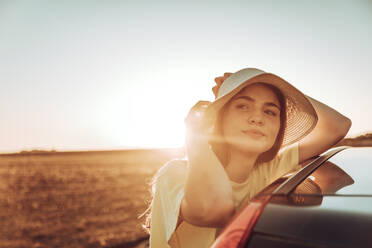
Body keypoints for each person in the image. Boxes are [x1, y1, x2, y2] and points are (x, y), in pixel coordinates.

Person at [146, 68, 351, 248]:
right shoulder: (176, 173)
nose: (257, 118)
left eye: (270, 111)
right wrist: (195, 135)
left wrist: (272, 83)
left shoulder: (269, 168)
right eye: (243, 106)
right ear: (219, 118)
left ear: (279, 127)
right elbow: (213, 209)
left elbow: (337, 126)